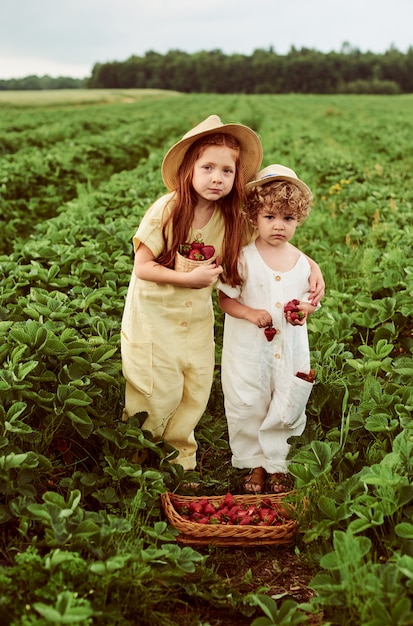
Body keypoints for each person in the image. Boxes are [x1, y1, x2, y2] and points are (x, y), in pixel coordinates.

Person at [121, 115, 324, 474]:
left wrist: (311, 266)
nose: (217, 178)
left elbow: (272, 239)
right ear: (189, 169)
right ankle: (140, 460)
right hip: (153, 317)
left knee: (195, 387)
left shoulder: (230, 219)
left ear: (236, 177)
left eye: (227, 171)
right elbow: (142, 266)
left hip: (195, 318)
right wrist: (192, 278)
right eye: (208, 167)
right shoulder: (167, 209)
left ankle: (180, 464)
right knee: (156, 387)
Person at [217, 164, 319, 493]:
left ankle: (278, 462)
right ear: (253, 217)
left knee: (286, 400)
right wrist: (248, 312)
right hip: (250, 348)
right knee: (249, 401)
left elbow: (310, 302)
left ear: (298, 220)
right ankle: (253, 462)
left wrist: (303, 310)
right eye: (270, 217)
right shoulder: (244, 258)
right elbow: (225, 300)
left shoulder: (303, 264)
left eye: (288, 219)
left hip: (288, 349)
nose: (279, 226)